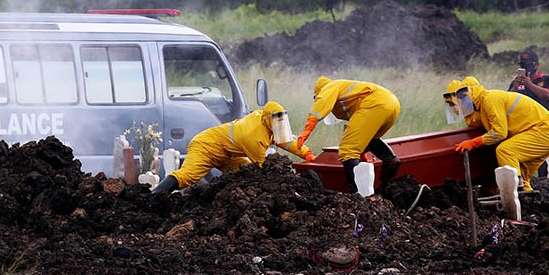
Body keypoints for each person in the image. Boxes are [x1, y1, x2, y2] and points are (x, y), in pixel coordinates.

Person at [152, 101, 315, 194]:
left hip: (227, 152)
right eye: (277, 123)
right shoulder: (253, 136)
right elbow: (264, 168)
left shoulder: (265, 120)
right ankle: (155, 196)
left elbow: (285, 141)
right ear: (268, 120)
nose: (280, 126)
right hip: (206, 146)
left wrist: (307, 154)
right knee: (187, 177)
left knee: (244, 174)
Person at [450, 77, 549, 192]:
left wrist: (473, 143)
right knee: (523, 178)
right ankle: (527, 203)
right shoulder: (481, 106)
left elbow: (499, 133)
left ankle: (516, 189)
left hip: (542, 132)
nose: (458, 108)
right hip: (543, 134)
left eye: (458, 102)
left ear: (466, 95)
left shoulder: (490, 99)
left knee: (505, 151)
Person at [295, 76, 402, 193]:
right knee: (367, 138)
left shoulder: (329, 87)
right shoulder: (345, 90)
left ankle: (356, 192)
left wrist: (308, 129)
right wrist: (362, 155)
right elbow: (361, 136)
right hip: (392, 104)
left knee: (347, 150)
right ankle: (390, 160)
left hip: (375, 104)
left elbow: (322, 102)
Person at [507, 48, 549, 177]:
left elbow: (548, 95)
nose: (526, 67)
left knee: (545, 160)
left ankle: (545, 181)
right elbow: (506, 102)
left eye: (528, 64)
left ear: (537, 65)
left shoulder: (546, 80)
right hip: (524, 127)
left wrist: (529, 84)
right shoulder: (515, 83)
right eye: (523, 65)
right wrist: (515, 87)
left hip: (544, 127)